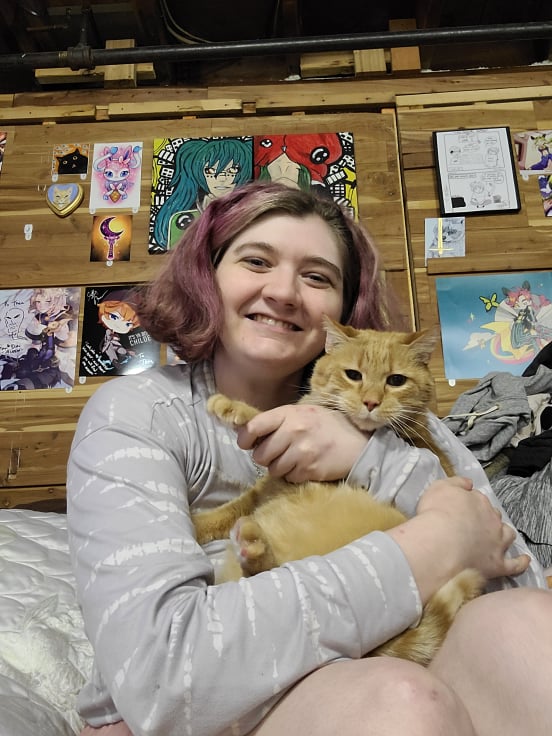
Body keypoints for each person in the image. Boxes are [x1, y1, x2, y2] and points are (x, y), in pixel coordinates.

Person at [67, 181, 551, 736]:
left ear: (343, 312)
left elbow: (520, 578)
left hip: (391, 644)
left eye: (317, 276)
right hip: (229, 698)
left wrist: (373, 457)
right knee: (401, 702)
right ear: (209, 274)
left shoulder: (403, 419)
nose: (285, 291)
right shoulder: (138, 412)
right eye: (256, 260)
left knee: (529, 627)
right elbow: (165, 671)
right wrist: (435, 544)